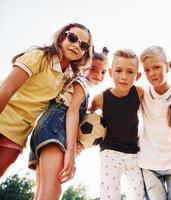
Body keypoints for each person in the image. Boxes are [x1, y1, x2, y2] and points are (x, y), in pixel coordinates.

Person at [0, 23, 93, 177]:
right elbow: (7, 89)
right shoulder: (40, 56)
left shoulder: (69, 78)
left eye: (83, 45)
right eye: (73, 38)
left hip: (17, 135)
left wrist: (70, 154)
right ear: (63, 36)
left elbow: (71, 112)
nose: (76, 45)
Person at [27, 47, 108, 200]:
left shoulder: (75, 83)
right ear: (83, 66)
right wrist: (70, 153)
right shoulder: (81, 84)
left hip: (44, 131)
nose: (98, 74)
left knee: (41, 192)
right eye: (93, 68)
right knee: (52, 191)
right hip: (54, 132)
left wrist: (77, 142)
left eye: (103, 72)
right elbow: (71, 112)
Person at [89, 49, 145, 200]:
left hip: (134, 153)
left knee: (139, 195)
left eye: (130, 72)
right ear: (110, 72)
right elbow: (88, 116)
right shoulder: (100, 99)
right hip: (109, 153)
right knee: (109, 195)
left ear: (137, 75)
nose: (123, 77)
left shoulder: (139, 93)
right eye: (119, 71)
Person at [138, 46, 171, 200]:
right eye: (147, 70)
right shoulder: (142, 93)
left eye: (156, 67)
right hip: (148, 163)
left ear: (167, 67)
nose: (152, 73)